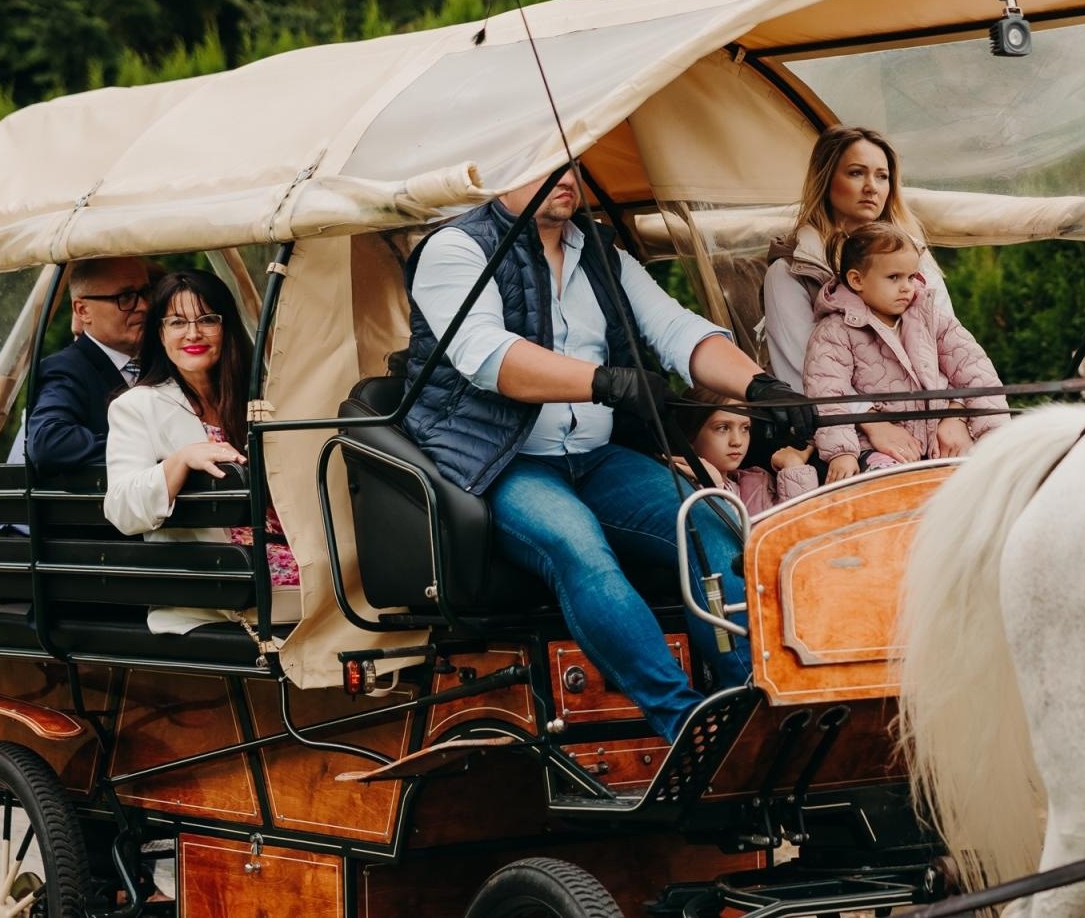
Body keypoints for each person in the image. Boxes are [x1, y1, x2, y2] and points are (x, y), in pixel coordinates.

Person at [404, 168, 814, 743]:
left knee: (708, 521)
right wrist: (603, 381)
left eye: (571, 163)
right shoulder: (455, 248)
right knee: (579, 548)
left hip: (597, 458)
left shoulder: (602, 253)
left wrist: (760, 386)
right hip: (503, 460)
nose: (565, 176)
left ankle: (755, 707)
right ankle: (688, 725)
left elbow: (676, 329)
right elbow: (487, 356)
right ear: (501, 168)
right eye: (544, 164)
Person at [103, 270, 299, 632]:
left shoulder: (260, 398)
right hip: (223, 571)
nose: (193, 334)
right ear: (160, 334)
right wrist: (180, 461)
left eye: (207, 319)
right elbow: (121, 509)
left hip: (294, 547)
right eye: (177, 322)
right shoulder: (137, 406)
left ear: (226, 327)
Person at [803, 223, 1007, 482]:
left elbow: (974, 370)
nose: (906, 287)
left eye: (911, 277)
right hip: (875, 448)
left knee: (981, 480)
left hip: (938, 440)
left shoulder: (931, 318)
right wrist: (841, 452)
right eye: (894, 277)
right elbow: (827, 392)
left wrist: (993, 435)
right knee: (887, 484)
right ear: (857, 280)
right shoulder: (835, 331)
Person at [761, 125, 952, 396]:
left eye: (882, 176)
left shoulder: (918, 261)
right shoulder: (791, 272)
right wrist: (877, 416)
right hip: (845, 418)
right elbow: (805, 375)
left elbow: (952, 349)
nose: (871, 187)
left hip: (934, 410)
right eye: (856, 173)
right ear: (826, 179)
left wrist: (956, 406)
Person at [26, 257, 153, 472]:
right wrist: (149, 452)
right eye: (126, 297)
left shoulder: (162, 359)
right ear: (83, 310)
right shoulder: (66, 369)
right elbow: (48, 441)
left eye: (146, 292)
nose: (143, 306)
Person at [673, 387, 818, 515]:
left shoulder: (757, 483)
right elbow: (730, 537)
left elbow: (802, 528)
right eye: (722, 428)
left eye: (745, 428)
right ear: (690, 436)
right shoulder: (677, 491)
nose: (737, 441)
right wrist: (714, 488)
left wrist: (793, 466)